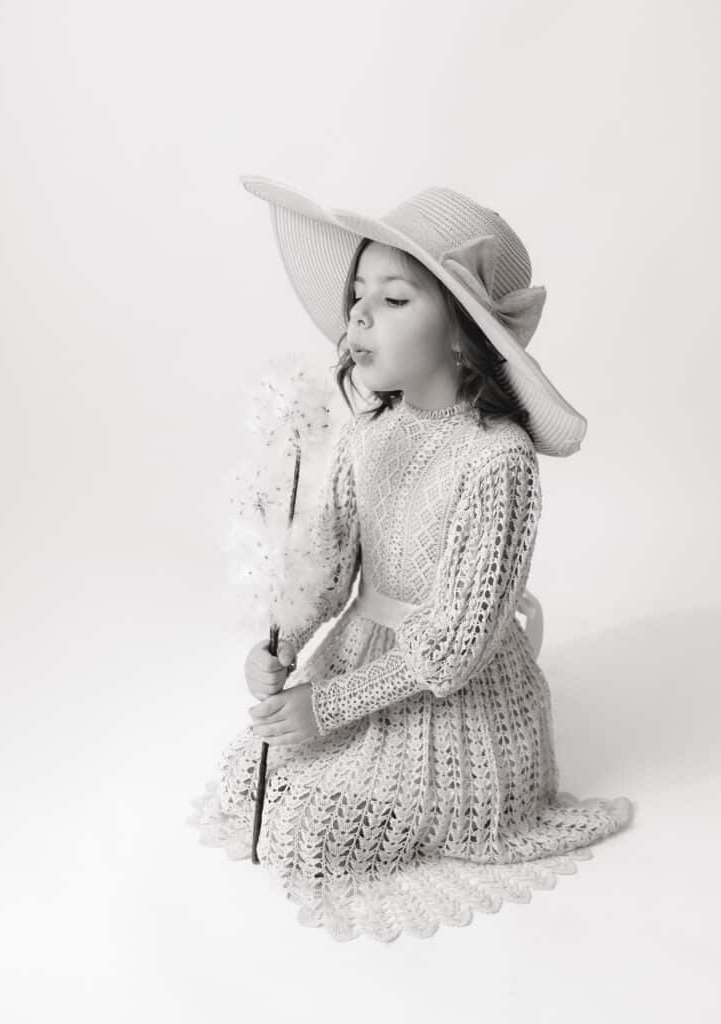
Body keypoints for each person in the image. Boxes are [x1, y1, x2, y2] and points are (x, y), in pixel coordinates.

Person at [187, 177, 634, 943]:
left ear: (463, 334)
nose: (359, 315)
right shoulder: (369, 436)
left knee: (312, 836)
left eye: (395, 299)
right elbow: (327, 570)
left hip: (449, 708)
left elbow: (452, 649)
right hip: (359, 665)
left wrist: (323, 708)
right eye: (358, 295)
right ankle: (326, 768)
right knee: (244, 778)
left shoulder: (497, 462)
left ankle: (410, 800)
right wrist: (283, 647)